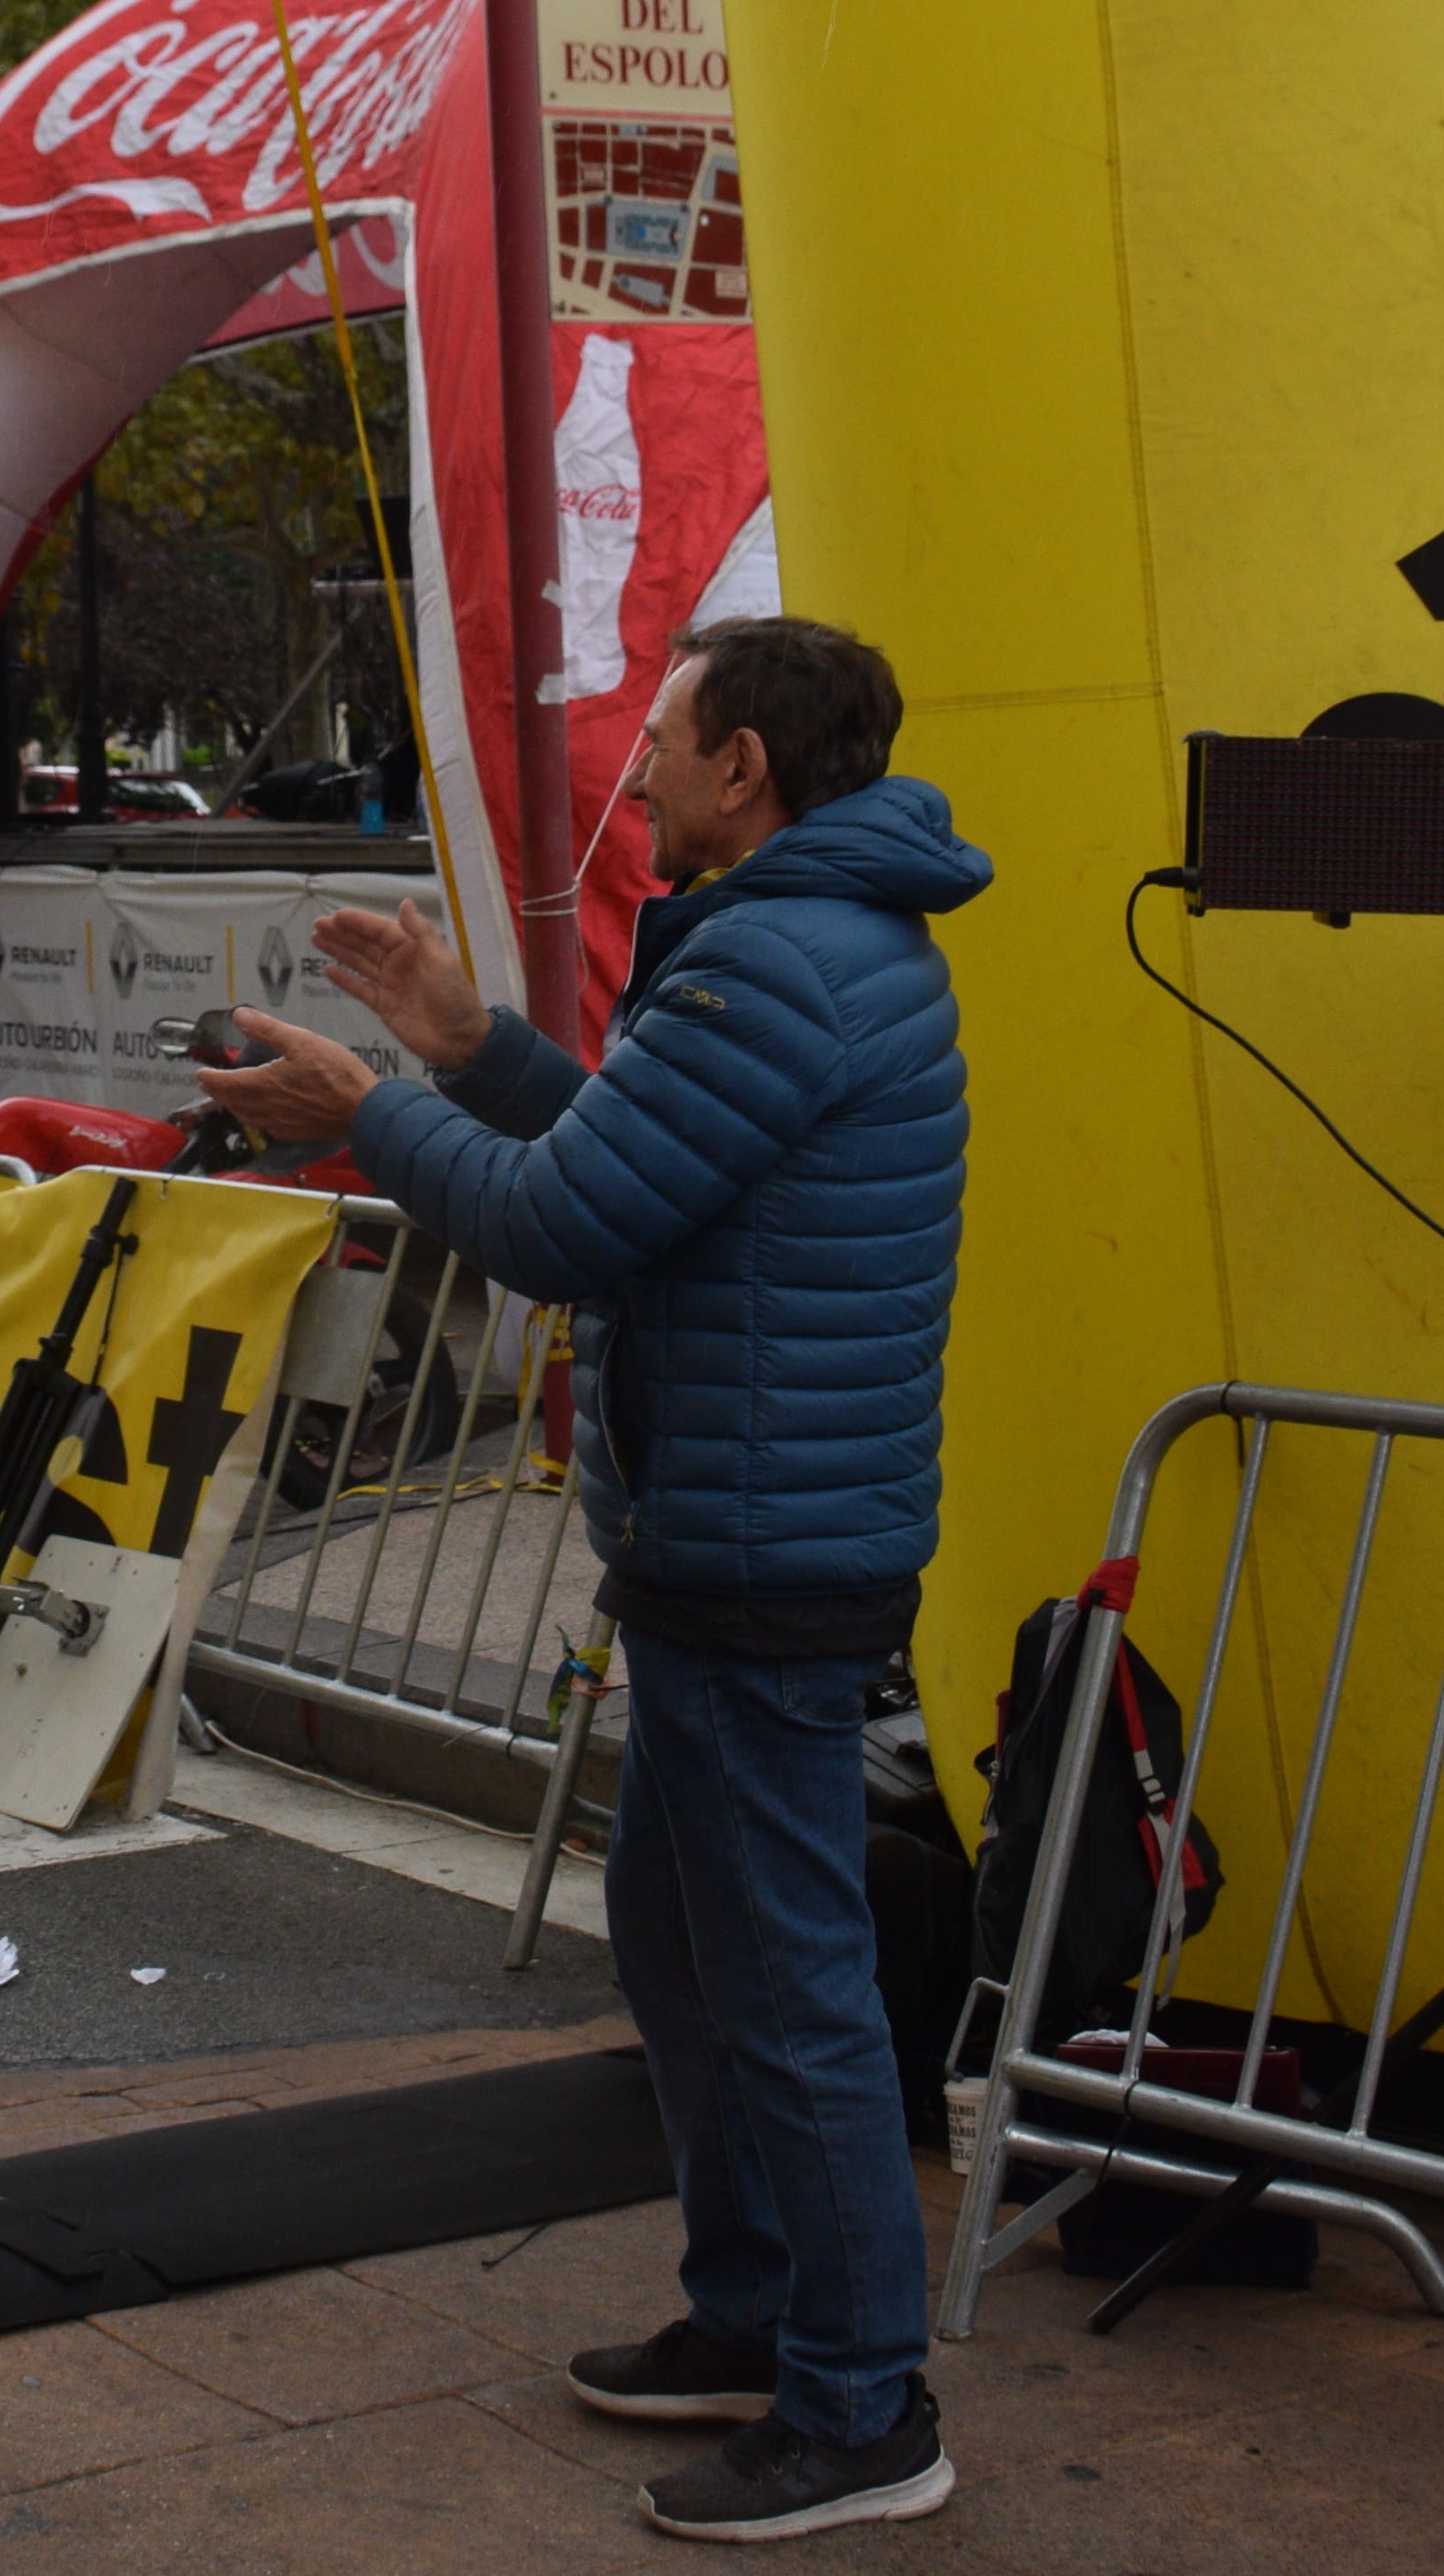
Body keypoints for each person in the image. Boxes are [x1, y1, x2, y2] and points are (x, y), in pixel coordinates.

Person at [202, 614, 986, 2544]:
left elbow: (565, 1222)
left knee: (786, 1983)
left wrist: (365, 1112)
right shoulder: (810, 939)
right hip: (743, 1534)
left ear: (751, 768)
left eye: (666, 735)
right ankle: (756, 2313)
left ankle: (863, 2404)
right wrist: (464, 1039)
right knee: (686, 1939)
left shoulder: (780, 962)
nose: (634, 769)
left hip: (759, 1552)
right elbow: (643, 1160)